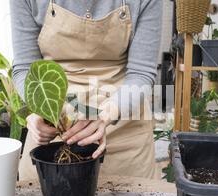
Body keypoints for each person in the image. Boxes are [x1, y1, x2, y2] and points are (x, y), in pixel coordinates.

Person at [10, 0, 163, 180]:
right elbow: (25, 69)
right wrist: (38, 110)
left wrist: (107, 114)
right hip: (56, 132)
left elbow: (141, 73)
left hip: (123, 128)